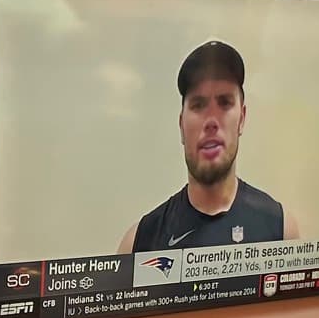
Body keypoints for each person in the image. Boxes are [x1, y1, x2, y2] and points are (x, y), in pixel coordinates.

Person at [117, 40, 298, 253]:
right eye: (199, 105)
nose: (211, 120)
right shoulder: (138, 244)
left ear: (241, 118)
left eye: (224, 103)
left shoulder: (281, 231)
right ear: (182, 125)